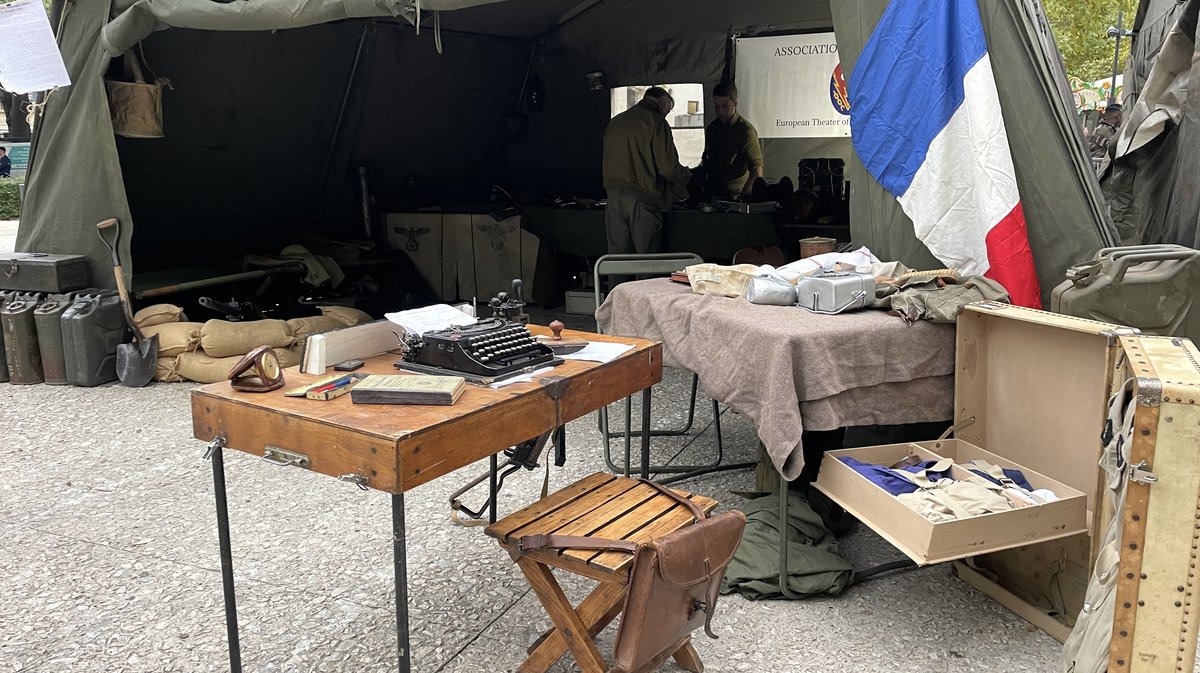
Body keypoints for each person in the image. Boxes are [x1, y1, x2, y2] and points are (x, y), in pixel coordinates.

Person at [601, 87, 691, 254]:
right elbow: (668, 169)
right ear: (663, 103)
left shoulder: (615, 122)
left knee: (617, 262)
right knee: (646, 263)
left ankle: (617, 282)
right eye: (668, 110)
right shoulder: (656, 123)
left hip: (613, 199)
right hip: (642, 200)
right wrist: (687, 177)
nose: (666, 114)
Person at [701, 81, 764, 197]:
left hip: (735, 194)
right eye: (717, 106)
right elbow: (707, 159)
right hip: (713, 192)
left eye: (725, 106)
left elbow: (757, 170)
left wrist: (744, 197)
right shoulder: (712, 129)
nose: (720, 111)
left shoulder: (746, 132)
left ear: (735, 103)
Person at [1089, 103, 1121, 176]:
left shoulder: (1102, 128)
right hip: (1097, 165)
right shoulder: (1104, 129)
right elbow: (1112, 146)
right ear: (1117, 117)